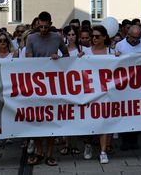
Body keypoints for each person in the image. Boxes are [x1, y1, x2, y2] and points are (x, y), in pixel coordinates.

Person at [26, 11, 69, 166]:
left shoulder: (57, 37)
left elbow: (66, 55)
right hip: (36, 84)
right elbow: (28, 59)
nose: (43, 30)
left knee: (51, 119)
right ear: (37, 24)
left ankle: (49, 153)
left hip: (53, 84)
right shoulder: (31, 38)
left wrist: (59, 59)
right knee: (36, 119)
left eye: (46, 27)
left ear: (50, 24)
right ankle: (38, 151)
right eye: (40, 26)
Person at [78, 25, 114, 164]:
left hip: (106, 92)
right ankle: (88, 145)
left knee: (104, 121)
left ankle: (103, 151)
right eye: (93, 36)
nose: (94, 38)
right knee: (89, 120)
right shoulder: (85, 52)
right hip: (89, 92)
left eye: (97, 36)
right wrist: (78, 58)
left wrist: (118, 57)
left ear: (105, 37)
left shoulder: (112, 52)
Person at [114, 25, 141, 151]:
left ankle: (134, 140)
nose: (135, 40)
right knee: (124, 113)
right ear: (127, 35)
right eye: (133, 37)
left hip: (139, 85)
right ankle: (125, 140)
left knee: (136, 114)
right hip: (124, 85)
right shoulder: (120, 46)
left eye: (138, 37)